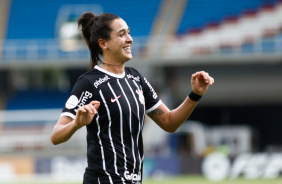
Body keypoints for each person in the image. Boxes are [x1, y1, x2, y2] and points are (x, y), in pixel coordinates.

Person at [50, 12, 214, 184]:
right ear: (103, 43)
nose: (129, 39)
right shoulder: (89, 83)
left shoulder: (136, 78)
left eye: (128, 32)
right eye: (121, 34)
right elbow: (56, 136)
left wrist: (195, 94)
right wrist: (76, 123)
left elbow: (169, 121)